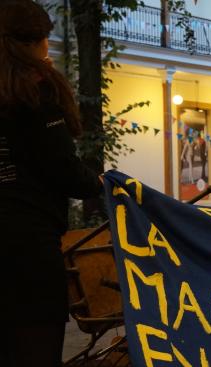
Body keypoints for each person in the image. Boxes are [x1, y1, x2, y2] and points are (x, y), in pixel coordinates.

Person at [0, 1, 103, 365]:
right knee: (34, 348)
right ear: (38, 41)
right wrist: (100, 184)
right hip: (28, 246)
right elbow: (61, 167)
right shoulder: (34, 90)